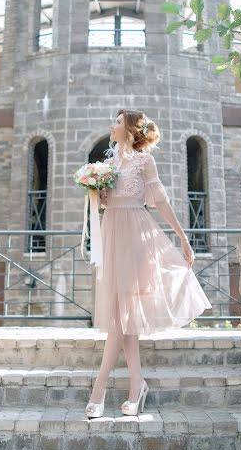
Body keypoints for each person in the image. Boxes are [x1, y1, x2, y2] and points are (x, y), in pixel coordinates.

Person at [84, 109, 212, 419]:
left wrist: (182, 238)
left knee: (119, 319)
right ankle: (136, 386)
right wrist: (97, 193)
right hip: (113, 235)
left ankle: (98, 390)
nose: (111, 125)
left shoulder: (144, 161)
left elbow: (161, 201)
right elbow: (106, 203)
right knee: (124, 320)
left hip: (137, 238)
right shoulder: (108, 164)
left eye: (116, 122)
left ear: (128, 130)